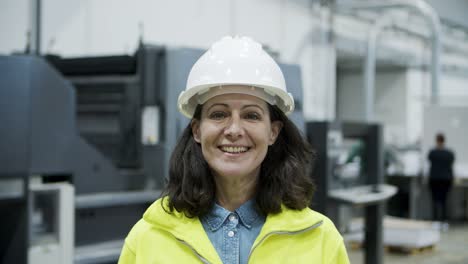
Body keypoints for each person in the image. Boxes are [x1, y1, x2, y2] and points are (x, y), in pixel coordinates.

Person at [118, 36, 350, 264]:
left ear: (273, 132)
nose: (234, 129)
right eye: (219, 114)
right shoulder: (147, 238)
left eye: (251, 115)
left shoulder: (321, 240)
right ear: (197, 130)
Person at [428, 133, 455, 222]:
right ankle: (443, 220)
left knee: (435, 200)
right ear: (444, 141)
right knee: (444, 200)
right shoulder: (449, 153)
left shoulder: (432, 153)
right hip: (446, 180)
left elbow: (429, 162)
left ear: (436, 141)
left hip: (434, 179)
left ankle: (435, 220)